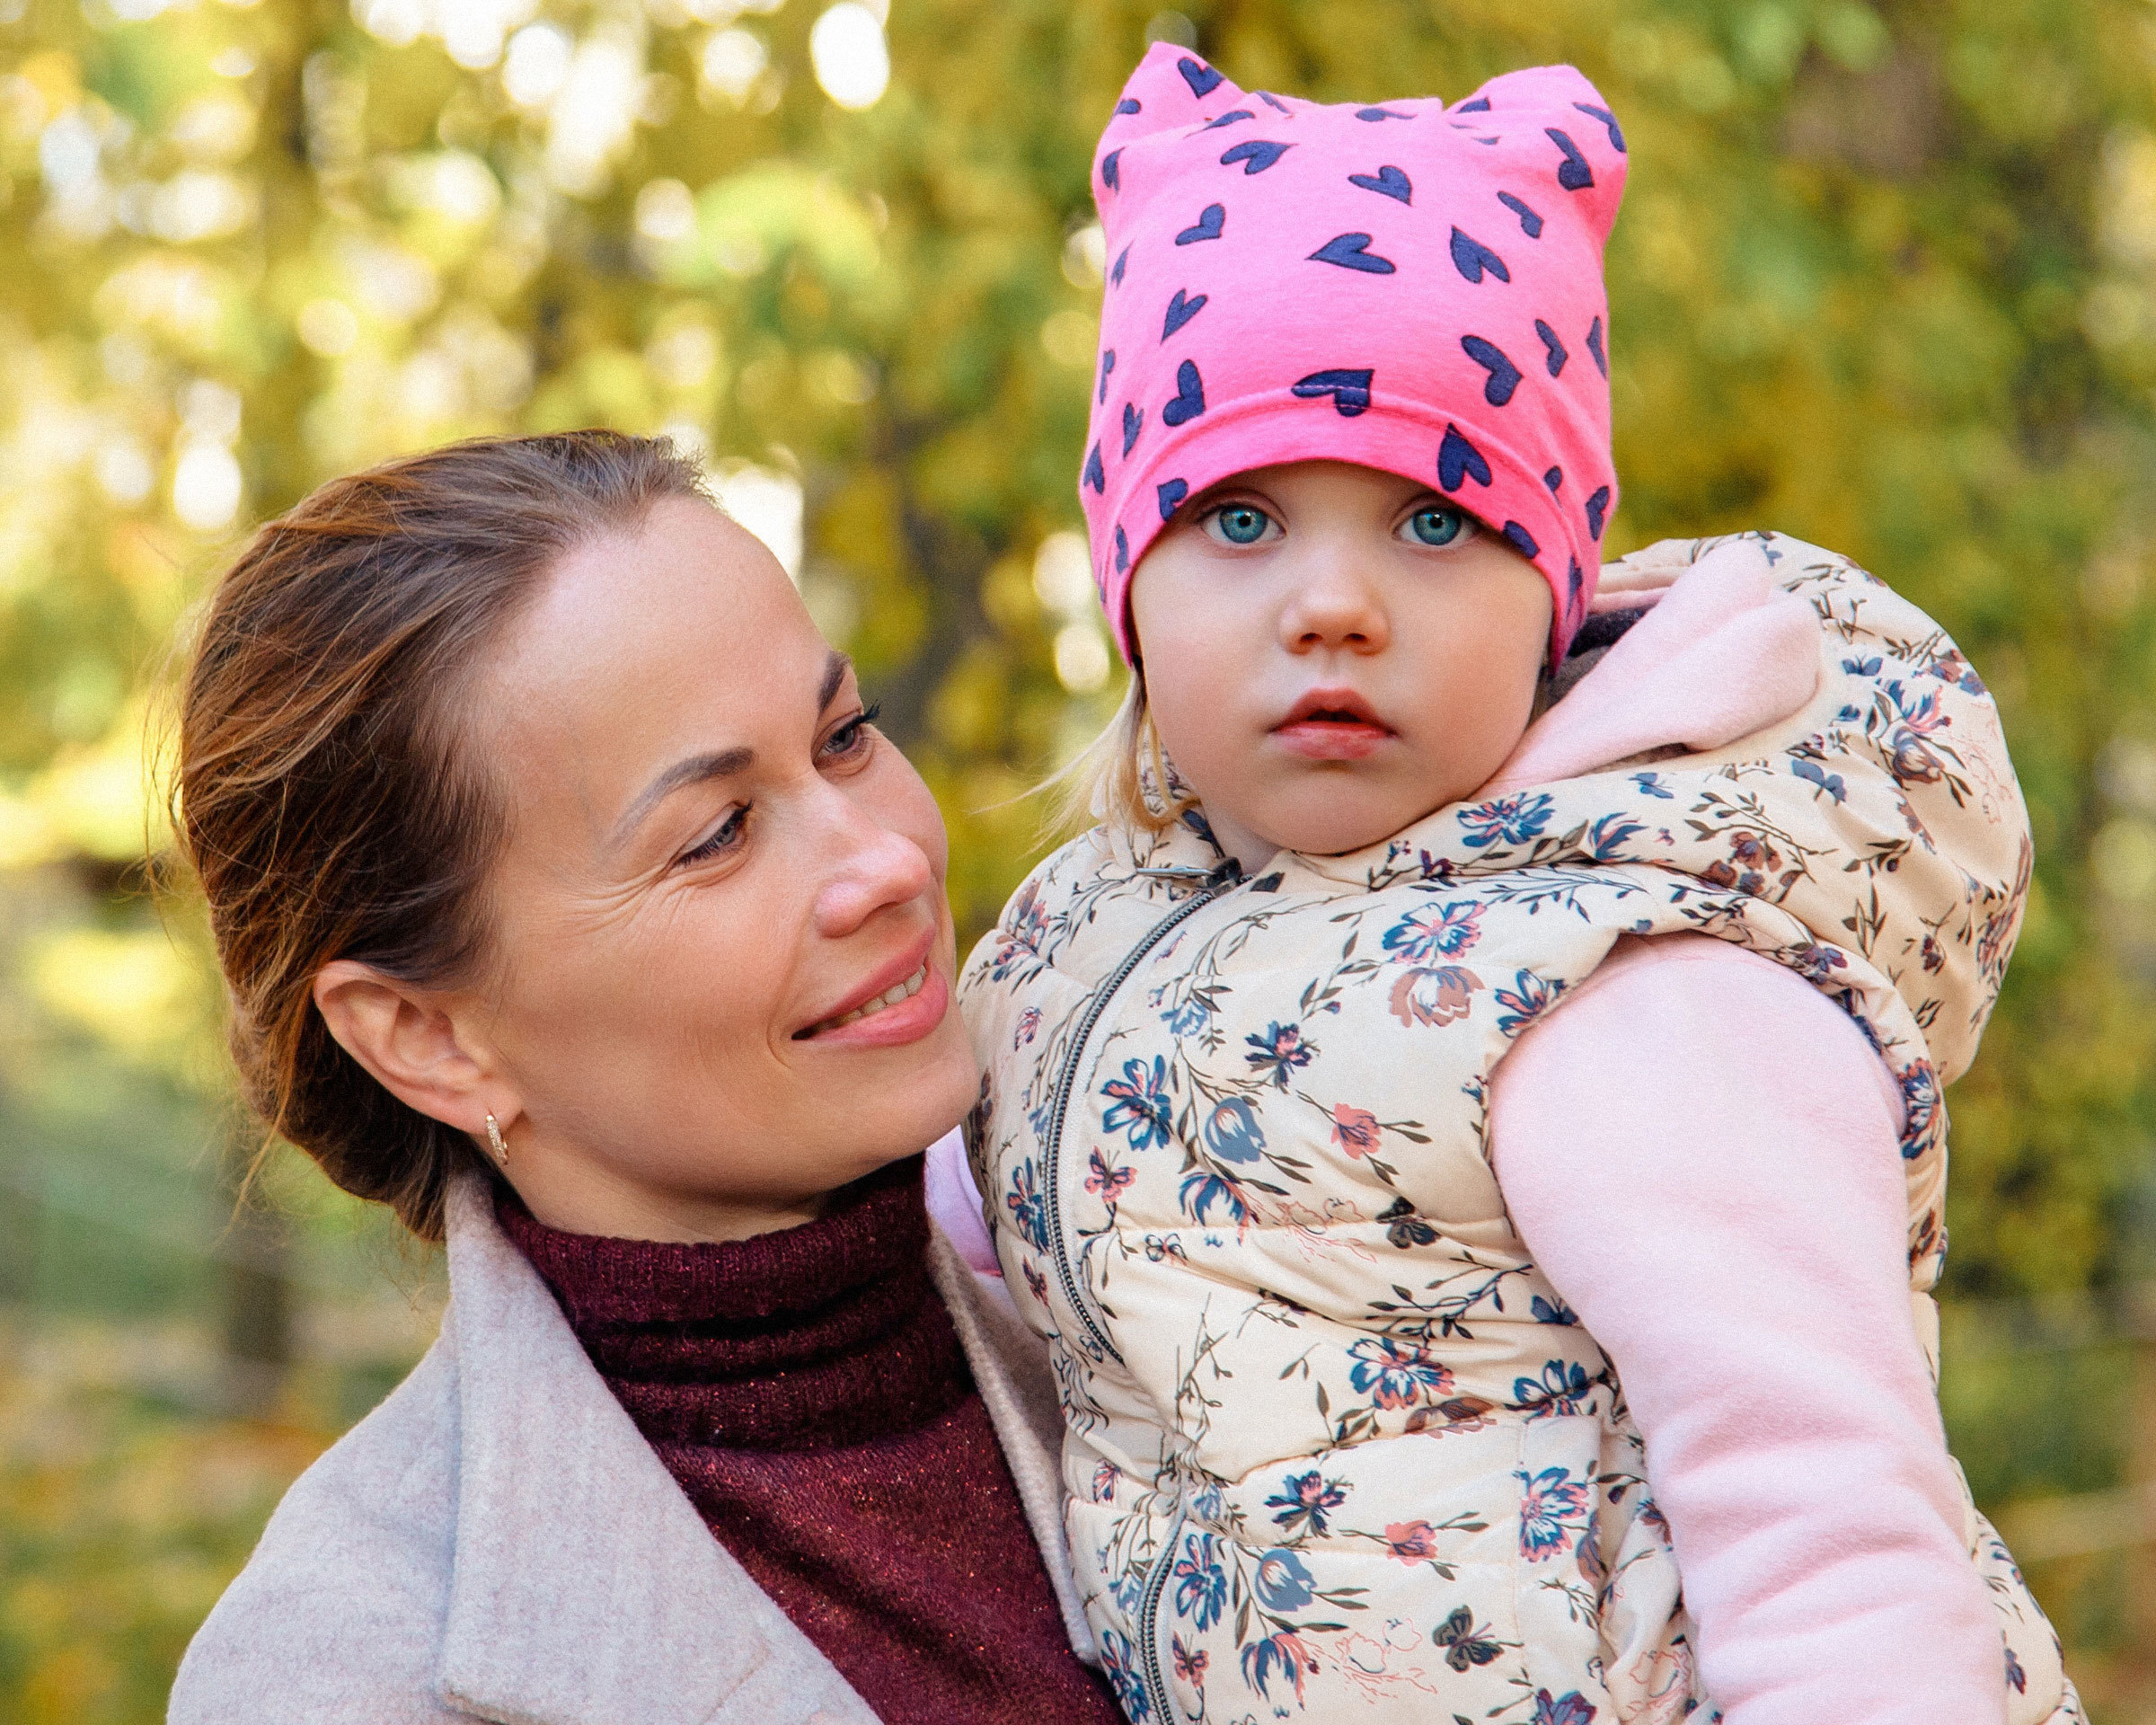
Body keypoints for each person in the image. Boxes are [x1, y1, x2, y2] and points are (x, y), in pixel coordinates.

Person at [953, 45, 2079, 1724]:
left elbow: (1834, 1545)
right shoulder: (1064, 947)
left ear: (1553, 585)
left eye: (1431, 522)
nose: (1334, 605)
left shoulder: (1624, 970)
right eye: (1243, 521)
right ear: (1127, 573)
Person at [165, 431, 1126, 1724]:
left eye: (845, 738)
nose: (890, 862)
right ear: (426, 1036)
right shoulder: (340, 1675)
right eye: (717, 833)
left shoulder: (1191, 1307)